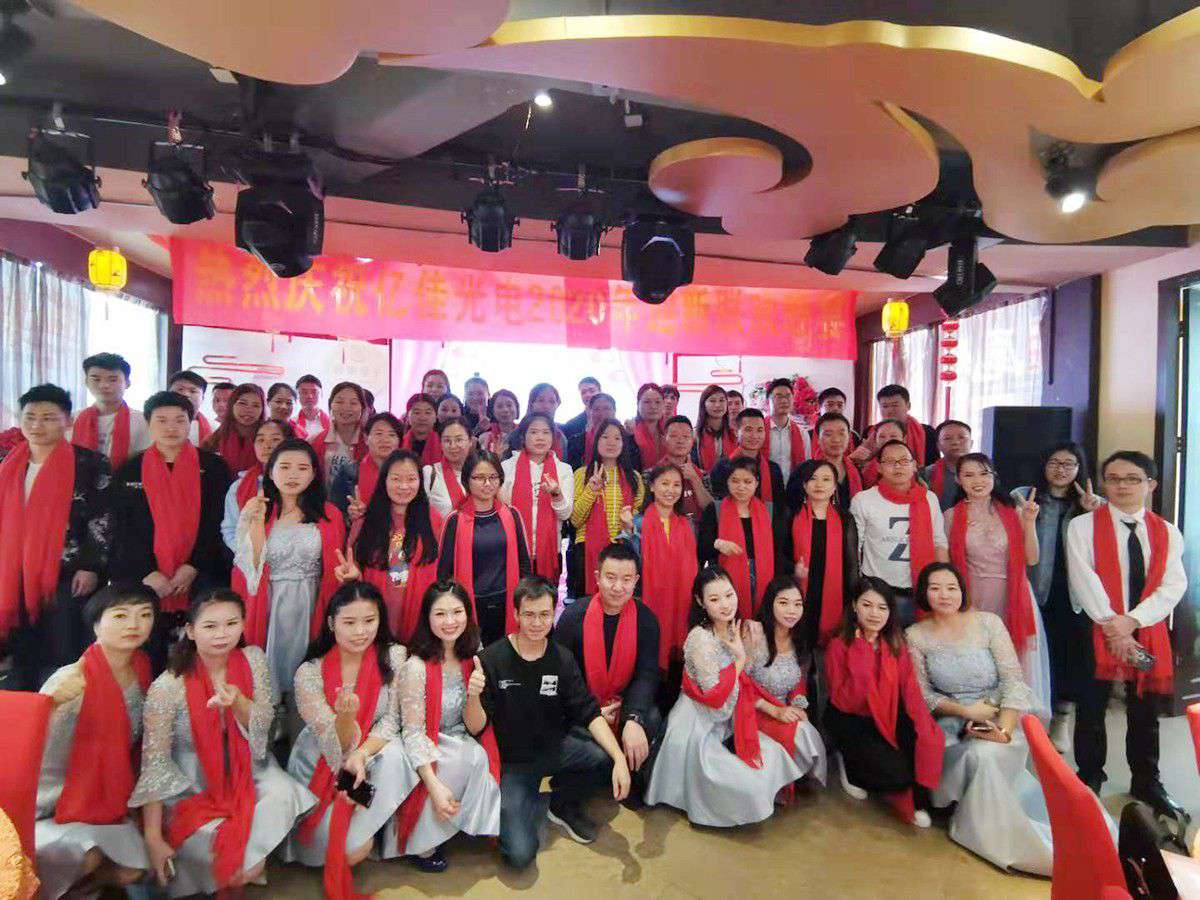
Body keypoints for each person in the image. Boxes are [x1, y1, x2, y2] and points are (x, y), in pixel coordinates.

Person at [129, 588, 315, 896]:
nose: (222, 634)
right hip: (193, 784)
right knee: (238, 866)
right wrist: (152, 835)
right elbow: (155, 764)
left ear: (243, 623)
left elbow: (265, 729)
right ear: (190, 631)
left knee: (282, 792)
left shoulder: (253, 659)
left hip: (250, 770)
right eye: (210, 626)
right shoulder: (167, 687)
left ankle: (242, 861)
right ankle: (235, 863)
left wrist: (240, 704)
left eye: (231, 623)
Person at [905, 562, 1061, 875]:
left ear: (962, 591)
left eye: (951, 588)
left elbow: (1013, 679)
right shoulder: (915, 635)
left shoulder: (988, 623)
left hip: (1002, 712)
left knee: (987, 752)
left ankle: (1004, 832)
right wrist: (965, 712)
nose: (944, 595)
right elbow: (924, 694)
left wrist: (1004, 728)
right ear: (924, 593)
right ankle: (982, 829)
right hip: (952, 719)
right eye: (935, 588)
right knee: (976, 754)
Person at [471, 575, 630, 868]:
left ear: (553, 614)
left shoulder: (562, 658)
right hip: (514, 764)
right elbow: (475, 727)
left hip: (556, 748)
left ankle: (560, 804)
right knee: (519, 856)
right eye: (529, 615)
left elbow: (587, 711)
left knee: (603, 755)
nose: (536, 623)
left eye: (544, 615)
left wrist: (619, 757)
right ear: (516, 614)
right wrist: (473, 695)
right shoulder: (491, 659)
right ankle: (525, 804)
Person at [1066, 451, 1188, 821]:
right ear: (1104, 483)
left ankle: (1147, 781)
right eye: (1114, 478)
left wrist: (1132, 621)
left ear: (1151, 485)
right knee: (1091, 708)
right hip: (1096, 630)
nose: (1122, 486)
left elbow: (1173, 585)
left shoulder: (1167, 532)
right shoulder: (1082, 526)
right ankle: (1089, 776)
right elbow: (1083, 578)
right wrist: (1113, 625)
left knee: (1145, 711)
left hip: (1147, 632)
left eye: (1132, 479)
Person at [646, 565, 807, 826]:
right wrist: (741, 659)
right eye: (714, 599)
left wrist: (750, 652)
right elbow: (715, 697)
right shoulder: (700, 639)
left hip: (729, 719)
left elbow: (745, 683)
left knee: (774, 756)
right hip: (698, 725)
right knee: (748, 785)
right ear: (701, 602)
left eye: (729, 595)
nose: (725, 604)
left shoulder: (737, 628)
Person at [285, 581, 414, 894]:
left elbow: (392, 721)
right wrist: (344, 718)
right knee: (351, 850)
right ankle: (363, 818)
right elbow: (338, 746)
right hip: (322, 762)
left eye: (369, 620)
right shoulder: (309, 673)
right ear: (332, 623)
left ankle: (372, 815)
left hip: (371, 754)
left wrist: (362, 754)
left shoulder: (394, 657)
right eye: (350, 622)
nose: (361, 631)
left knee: (397, 755)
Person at [34, 584, 155, 899]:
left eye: (145, 615)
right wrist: (49, 706)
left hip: (106, 793)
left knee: (134, 871)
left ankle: (75, 890)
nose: (134, 624)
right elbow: (28, 741)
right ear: (96, 625)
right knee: (86, 859)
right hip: (51, 798)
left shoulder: (141, 666)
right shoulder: (71, 678)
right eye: (120, 616)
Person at [107, 392, 232, 661]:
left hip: (202, 572)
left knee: (201, 650)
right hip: (145, 576)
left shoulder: (215, 468)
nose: (171, 428)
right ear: (148, 424)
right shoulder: (129, 470)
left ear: (191, 422)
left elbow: (218, 523)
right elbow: (122, 529)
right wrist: (148, 571)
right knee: (146, 652)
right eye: (162, 420)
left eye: (179, 420)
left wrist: (193, 566)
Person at [1, 384, 110, 689]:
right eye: (30, 417)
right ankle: (22, 708)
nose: (37, 425)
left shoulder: (89, 464)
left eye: (48, 417)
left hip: (67, 573)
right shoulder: (7, 462)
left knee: (61, 650)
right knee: (20, 651)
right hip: (14, 572)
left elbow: (102, 518)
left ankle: (58, 709)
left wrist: (91, 566)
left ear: (68, 420)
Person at [393, 580, 500, 870]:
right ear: (427, 618)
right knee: (455, 761)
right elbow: (412, 732)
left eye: (457, 612)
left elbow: (475, 727)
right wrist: (434, 785)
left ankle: (453, 822)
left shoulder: (474, 654)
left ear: (468, 614)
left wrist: (475, 695)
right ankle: (424, 835)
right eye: (440, 614)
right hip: (424, 740)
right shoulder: (415, 667)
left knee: (475, 755)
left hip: (460, 735)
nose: (450, 622)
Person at [824, 579, 943, 828]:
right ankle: (847, 761)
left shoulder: (896, 643)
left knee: (922, 746)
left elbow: (910, 690)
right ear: (854, 606)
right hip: (851, 719)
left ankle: (915, 799)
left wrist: (925, 728)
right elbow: (846, 701)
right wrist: (861, 651)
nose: (874, 613)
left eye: (882, 607)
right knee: (896, 776)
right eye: (867, 605)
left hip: (886, 714)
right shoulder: (839, 644)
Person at [233, 439, 345, 699]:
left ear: (314, 474)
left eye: (302, 468)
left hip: (313, 601)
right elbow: (251, 570)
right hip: (270, 601)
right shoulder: (257, 511)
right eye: (284, 467)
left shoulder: (330, 515)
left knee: (308, 672)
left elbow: (336, 566)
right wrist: (256, 524)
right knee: (267, 673)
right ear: (271, 472)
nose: (293, 474)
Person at [1012, 441, 1104, 751]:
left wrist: (1095, 515)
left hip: (1075, 595)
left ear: (1079, 469)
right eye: (1054, 462)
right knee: (1036, 656)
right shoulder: (1023, 496)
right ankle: (1032, 719)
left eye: (1069, 464)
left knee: (1069, 658)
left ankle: (1061, 719)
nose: (1061, 469)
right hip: (1035, 590)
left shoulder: (1094, 504)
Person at [945, 452, 1051, 715]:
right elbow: (947, 568)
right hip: (973, 598)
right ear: (958, 480)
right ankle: (981, 719)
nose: (977, 481)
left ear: (994, 477)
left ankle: (1012, 724)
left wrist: (1029, 522)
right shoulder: (950, 516)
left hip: (1013, 595)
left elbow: (1032, 558)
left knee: (1013, 664)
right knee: (978, 661)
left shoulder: (1015, 511)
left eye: (984, 474)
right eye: (969, 475)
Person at [555, 542, 662, 801]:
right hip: (584, 708)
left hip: (623, 704)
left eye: (626, 579)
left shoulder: (646, 619)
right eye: (610, 577)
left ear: (636, 581)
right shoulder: (573, 618)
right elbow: (564, 679)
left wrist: (633, 717)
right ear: (597, 577)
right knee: (589, 747)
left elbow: (647, 674)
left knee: (651, 718)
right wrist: (592, 713)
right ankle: (571, 796)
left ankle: (632, 777)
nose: (617, 587)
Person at [341, 450, 442, 642]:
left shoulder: (433, 520)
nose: (404, 486)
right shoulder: (364, 523)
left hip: (419, 619)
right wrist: (353, 577)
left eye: (411, 479)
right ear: (384, 481)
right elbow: (353, 568)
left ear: (420, 482)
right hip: (373, 617)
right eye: (396, 479)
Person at [437, 451, 533, 646]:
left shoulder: (512, 514)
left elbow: (525, 566)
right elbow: (443, 574)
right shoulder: (455, 520)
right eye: (479, 478)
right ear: (467, 480)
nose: (487, 483)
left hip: (507, 602)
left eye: (493, 477)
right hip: (469, 604)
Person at [850, 439, 948, 626]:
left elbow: (939, 542)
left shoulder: (929, 498)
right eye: (890, 461)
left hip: (921, 590)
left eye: (904, 460)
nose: (898, 466)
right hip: (878, 593)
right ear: (879, 467)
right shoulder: (864, 500)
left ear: (914, 465)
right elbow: (855, 547)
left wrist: (942, 582)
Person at [618, 462, 699, 681]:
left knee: (677, 663)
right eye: (664, 483)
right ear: (652, 486)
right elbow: (630, 562)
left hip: (680, 601)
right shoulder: (639, 522)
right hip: (648, 599)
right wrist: (628, 531)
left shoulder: (687, 524)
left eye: (676, 485)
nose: (670, 490)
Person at [746, 575, 828, 787]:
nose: (792, 611)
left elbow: (799, 685)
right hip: (754, 709)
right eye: (783, 603)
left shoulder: (799, 639)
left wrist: (799, 707)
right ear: (770, 603)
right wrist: (774, 710)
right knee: (801, 734)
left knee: (805, 729)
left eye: (797, 604)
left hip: (784, 709)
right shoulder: (754, 634)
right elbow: (739, 684)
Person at [699, 457, 788, 617]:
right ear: (727, 481)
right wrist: (717, 544)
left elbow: (778, 551)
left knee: (762, 619)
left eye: (747, 481)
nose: (741, 487)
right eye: (735, 481)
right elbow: (701, 549)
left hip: (764, 576)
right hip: (726, 579)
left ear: (756, 483)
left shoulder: (770, 511)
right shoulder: (715, 510)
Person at [787, 460, 860, 655]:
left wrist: (854, 597)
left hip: (835, 590)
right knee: (800, 646)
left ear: (835, 486)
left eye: (826, 479)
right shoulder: (791, 515)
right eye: (813, 479)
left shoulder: (845, 518)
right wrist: (793, 569)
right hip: (800, 588)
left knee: (830, 651)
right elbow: (780, 554)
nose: (819, 484)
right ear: (804, 485)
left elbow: (852, 562)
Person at [569, 419, 646, 600]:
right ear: (596, 441)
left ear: (624, 444)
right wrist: (591, 490)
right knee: (589, 606)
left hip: (622, 550)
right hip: (587, 550)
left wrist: (629, 526)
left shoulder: (634, 477)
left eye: (617, 438)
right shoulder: (581, 474)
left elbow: (637, 523)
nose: (611, 442)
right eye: (605, 437)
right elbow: (575, 520)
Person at [501, 412, 574, 586]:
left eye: (546, 432)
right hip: (513, 551)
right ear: (523, 436)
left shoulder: (563, 469)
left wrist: (556, 493)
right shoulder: (507, 467)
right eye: (534, 432)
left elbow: (565, 515)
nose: (540, 437)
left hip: (549, 551)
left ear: (553, 437)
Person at [220, 418, 293, 553]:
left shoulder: (300, 482)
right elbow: (230, 529)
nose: (267, 445)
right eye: (260, 440)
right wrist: (250, 555)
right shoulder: (239, 486)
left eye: (275, 439)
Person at [72, 352, 150, 468]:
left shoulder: (143, 421)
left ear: (127, 383)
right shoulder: (73, 419)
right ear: (86, 382)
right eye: (96, 379)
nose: (104, 385)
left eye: (113, 380)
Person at [709, 409, 787, 518]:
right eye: (748, 430)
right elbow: (719, 505)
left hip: (767, 523)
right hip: (731, 523)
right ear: (737, 432)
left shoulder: (773, 469)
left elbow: (780, 508)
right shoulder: (723, 467)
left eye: (760, 430)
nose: (754, 436)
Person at [334, 411, 403, 515]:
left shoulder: (408, 473)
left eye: (392, 435)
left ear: (399, 441)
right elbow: (335, 511)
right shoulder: (349, 472)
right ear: (366, 438)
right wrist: (350, 515)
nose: (385, 440)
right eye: (379, 434)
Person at [309, 381, 368, 492]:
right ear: (330, 405)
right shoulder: (315, 440)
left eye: (353, 403)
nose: (346, 408)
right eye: (339, 402)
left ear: (363, 408)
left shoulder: (370, 441)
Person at [201, 383, 265, 474]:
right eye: (242, 403)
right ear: (231, 405)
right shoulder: (212, 441)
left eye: (256, 405)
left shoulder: (269, 440)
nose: (249, 410)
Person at [660, 415, 713, 525]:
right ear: (663, 439)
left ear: (693, 440)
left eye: (686, 436)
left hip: (699, 531)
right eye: (674, 436)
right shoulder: (652, 474)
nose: (680, 441)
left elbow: (710, 508)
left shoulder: (702, 474)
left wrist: (695, 479)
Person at [803, 412, 862, 508]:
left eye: (841, 434)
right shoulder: (805, 471)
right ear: (818, 439)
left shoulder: (856, 470)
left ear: (849, 437)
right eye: (828, 434)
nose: (836, 440)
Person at [873, 384, 937, 467]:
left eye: (895, 405)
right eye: (885, 406)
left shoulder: (927, 432)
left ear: (908, 406)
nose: (890, 410)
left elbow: (933, 466)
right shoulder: (871, 432)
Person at [422, 417, 471, 518]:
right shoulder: (430, 473)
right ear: (440, 444)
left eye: (459, 440)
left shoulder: (479, 474)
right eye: (447, 440)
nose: (453, 446)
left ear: (470, 441)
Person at [923, 420, 972, 510]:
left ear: (971, 443)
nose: (955, 442)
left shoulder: (985, 472)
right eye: (947, 438)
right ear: (938, 445)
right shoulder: (927, 474)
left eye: (961, 437)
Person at [766, 378, 809, 475]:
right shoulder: (759, 431)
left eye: (788, 396)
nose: (784, 400)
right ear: (768, 401)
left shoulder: (802, 434)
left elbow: (806, 467)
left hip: (794, 484)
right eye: (779, 396)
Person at [849, 417, 906, 488]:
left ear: (904, 439)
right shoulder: (866, 464)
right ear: (876, 440)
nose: (887, 441)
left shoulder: (910, 464)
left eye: (893, 436)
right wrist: (850, 461)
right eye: (882, 436)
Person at [566, 391, 617, 470]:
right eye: (596, 409)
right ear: (589, 412)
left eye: (606, 408)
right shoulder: (576, 442)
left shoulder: (626, 439)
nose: (602, 413)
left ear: (614, 411)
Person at [693, 384, 736, 473]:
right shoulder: (694, 436)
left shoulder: (734, 435)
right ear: (703, 404)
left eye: (722, 400)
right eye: (712, 401)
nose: (718, 405)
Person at [166, 371, 214, 446]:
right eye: (180, 389)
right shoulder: (151, 423)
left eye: (193, 391)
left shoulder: (214, 428)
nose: (185, 394)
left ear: (202, 398)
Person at [629, 382, 666, 471]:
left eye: (658, 402)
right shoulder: (630, 432)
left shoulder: (669, 432)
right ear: (638, 405)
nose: (653, 406)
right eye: (647, 402)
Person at [402, 392, 442, 465]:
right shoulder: (399, 444)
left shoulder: (443, 444)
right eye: (417, 413)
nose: (422, 418)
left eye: (428, 413)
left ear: (436, 417)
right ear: (407, 417)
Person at [479, 389, 519, 456]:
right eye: (499, 406)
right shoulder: (484, 438)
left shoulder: (525, 434)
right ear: (493, 411)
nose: (505, 410)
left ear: (516, 408)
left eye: (509, 405)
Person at [292, 374, 329, 441]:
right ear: (297, 395)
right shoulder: (292, 424)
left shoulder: (332, 422)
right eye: (304, 392)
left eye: (314, 392)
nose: (309, 396)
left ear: (321, 394)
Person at [563, 376, 601, 441]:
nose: (588, 395)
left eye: (592, 391)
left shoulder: (612, 421)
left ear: (600, 392)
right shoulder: (571, 426)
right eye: (583, 392)